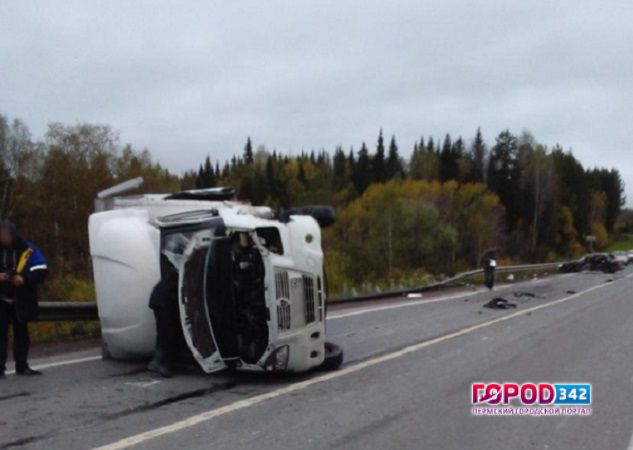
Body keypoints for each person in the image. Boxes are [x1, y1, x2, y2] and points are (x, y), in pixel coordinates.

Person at [0, 221, 47, 378]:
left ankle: (22, 365)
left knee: (21, 334)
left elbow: (41, 269)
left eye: (5, 234)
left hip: (21, 297)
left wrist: (24, 278)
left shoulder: (27, 249)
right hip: (2, 298)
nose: (3, 238)